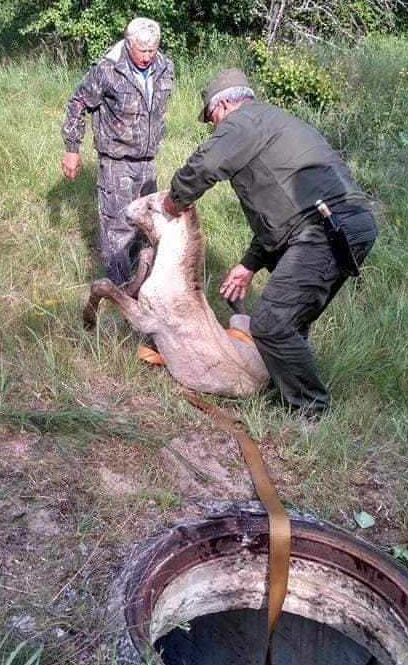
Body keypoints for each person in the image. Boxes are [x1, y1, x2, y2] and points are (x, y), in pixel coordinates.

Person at [162, 69, 378, 417]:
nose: (214, 127)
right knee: (292, 321)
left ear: (223, 106)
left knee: (270, 325)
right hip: (347, 224)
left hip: (323, 229)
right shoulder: (273, 122)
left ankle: (312, 413)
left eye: (212, 118)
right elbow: (281, 215)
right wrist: (249, 264)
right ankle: (284, 392)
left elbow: (206, 165)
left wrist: (174, 200)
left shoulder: (242, 121)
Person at [61, 18, 175, 286]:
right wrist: (72, 149)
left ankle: (142, 286)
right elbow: (78, 103)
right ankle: (119, 290)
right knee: (119, 226)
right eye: (142, 50)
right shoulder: (108, 69)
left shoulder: (165, 66)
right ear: (128, 43)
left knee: (147, 224)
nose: (147, 56)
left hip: (147, 160)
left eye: (153, 50)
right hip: (116, 160)